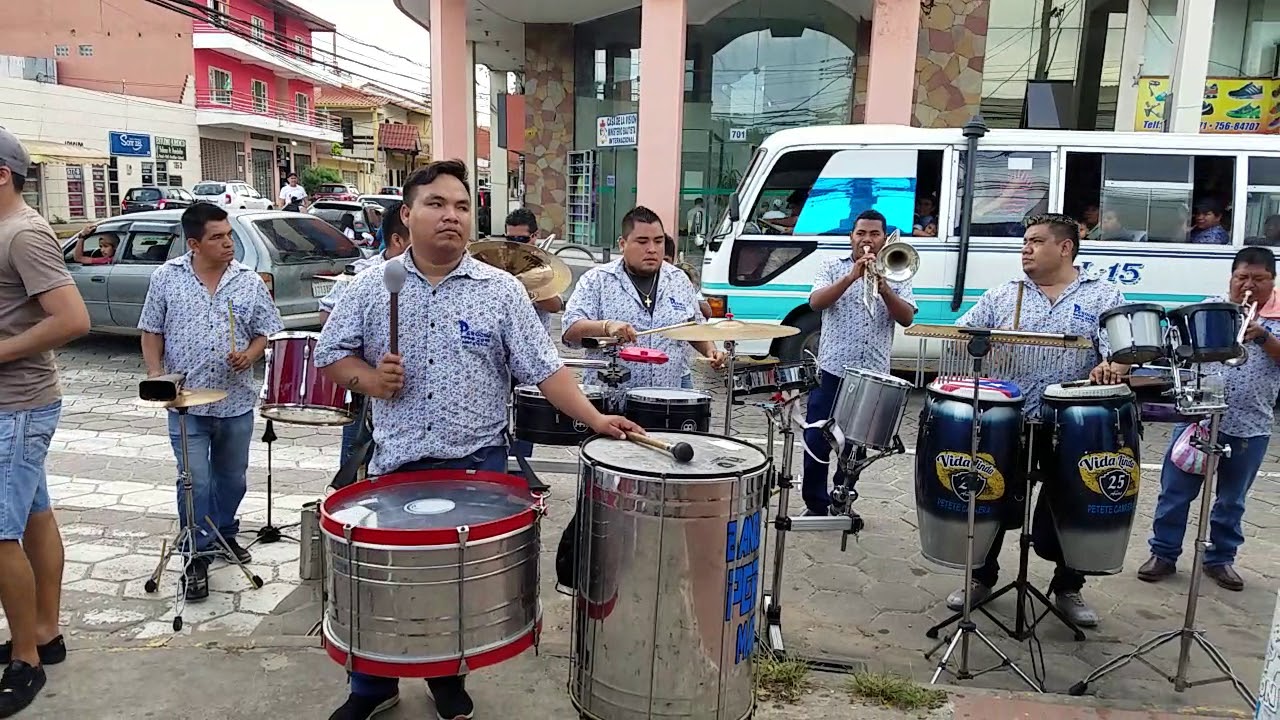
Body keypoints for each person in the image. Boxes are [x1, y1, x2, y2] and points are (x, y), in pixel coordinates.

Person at [316, 159, 642, 720]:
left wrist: (596, 419)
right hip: (396, 463)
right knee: (385, 587)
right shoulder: (373, 286)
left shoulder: (501, 292)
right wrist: (370, 381)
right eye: (436, 204)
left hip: (477, 464)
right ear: (407, 214)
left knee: (456, 586)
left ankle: (446, 677)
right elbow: (330, 356)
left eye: (462, 206)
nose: (451, 216)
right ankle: (372, 687)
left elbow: (545, 370)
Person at [947, 213, 1129, 628]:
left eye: (1036, 241)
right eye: (1024, 241)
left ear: (1065, 247)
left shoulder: (1104, 295)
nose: (1025, 248)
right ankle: (980, 577)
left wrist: (1113, 365)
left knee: (1072, 500)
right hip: (1009, 420)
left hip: (1073, 424)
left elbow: (1123, 351)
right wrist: (984, 349)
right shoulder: (1003, 294)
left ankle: (1068, 587)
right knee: (990, 496)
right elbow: (960, 337)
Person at [138, 204, 284, 601]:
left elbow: (266, 332)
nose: (227, 243)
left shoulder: (248, 281)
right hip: (186, 403)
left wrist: (251, 355)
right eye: (217, 237)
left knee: (231, 478)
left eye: (228, 235)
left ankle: (224, 532)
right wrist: (156, 376)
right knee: (194, 480)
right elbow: (151, 331)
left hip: (234, 401)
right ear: (194, 243)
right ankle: (195, 553)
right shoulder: (166, 278)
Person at [0, 128, 90, 718]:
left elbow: (73, 319)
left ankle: (25, 659)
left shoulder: (24, 234)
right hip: (16, 405)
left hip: (16, 406)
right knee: (33, 515)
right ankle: (46, 634)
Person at [1138, 247, 1280, 592]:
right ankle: (1164, 553)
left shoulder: (1276, 319)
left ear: (1272, 281)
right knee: (1175, 492)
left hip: (1251, 424)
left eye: (1258, 279)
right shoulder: (1211, 306)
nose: (1248, 285)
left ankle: (1220, 559)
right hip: (1196, 418)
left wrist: (1263, 335)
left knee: (1232, 499)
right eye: (1241, 277)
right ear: (1230, 278)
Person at [802, 209, 917, 516]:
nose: (867, 240)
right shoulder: (830, 266)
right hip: (833, 370)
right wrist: (851, 276)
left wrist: (885, 288)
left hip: (872, 375)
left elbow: (906, 317)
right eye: (861, 234)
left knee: (855, 447)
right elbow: (816, 302)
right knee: (817, 436)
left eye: (874, 234)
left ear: (884, 238)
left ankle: (842, 500)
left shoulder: (897, 268)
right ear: (851, 237)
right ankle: (815, 503)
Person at [562, 206, 725, 401]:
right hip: (610, 404)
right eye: (642, 241)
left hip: (666, 402)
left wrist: (710, 350)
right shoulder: (597, 280)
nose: (652, 249)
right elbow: (570, 330)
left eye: (658, 241)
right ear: (622, 244)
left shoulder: (679, 280)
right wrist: (606, 327)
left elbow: (693, 327)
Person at [320, 201, 411, 469]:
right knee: (354, 458)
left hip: (404, 402)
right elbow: (327, 318)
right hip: (365, 393)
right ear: (397, 238)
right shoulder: (363, 274)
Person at [663, 234, 712, 391]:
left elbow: (703, 317)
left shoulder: (682, 283)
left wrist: (711, 351)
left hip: (679, 372)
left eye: (666, 261)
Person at [502, 207, 565, 327]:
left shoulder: (547, 264)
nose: (516, 244)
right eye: (510, 239)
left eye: (522, 239)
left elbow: (555, 306)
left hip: (534, 338)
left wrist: (530, 282)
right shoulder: (497, 259)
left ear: (535, 235)